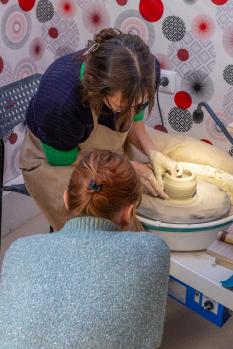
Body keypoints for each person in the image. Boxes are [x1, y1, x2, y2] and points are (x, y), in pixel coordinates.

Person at [20, 27, 233, 230]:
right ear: (97, 87)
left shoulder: (144, 71)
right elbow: (62, 158)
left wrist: (152, 152)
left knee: (216, 162)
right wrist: (126, 167)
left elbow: (134, 117)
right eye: (124, 106)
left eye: (139, 103)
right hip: (59, 157)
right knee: (114, 227)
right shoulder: (60, 99)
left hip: (113, 140)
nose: (133, 110)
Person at [0, 149, 170, 349]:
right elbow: (149, 338)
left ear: (66, 199)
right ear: (129, 213)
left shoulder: (19, 251)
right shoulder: (153, 251)